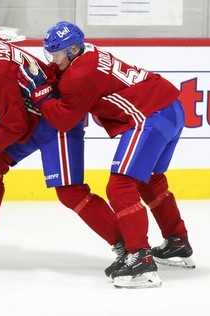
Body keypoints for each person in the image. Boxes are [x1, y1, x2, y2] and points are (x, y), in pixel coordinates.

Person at [22, 21, 195, 288]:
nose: (53, 61)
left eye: (56, 55)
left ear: (72, 50)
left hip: (150, 117)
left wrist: (40, 95)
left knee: (120, 185)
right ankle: (177, 241)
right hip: (171, 110)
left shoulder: (80, 75)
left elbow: (64, 120)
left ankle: (140, 259)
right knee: (150, 181)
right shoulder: (87, 53)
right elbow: (69, 83)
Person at [0, 24, 125, 265]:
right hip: (34, 116)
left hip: (54, 118)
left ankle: (127, 246)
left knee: (70, 192)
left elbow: (14, 123)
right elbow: (11, 101)